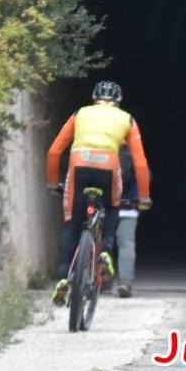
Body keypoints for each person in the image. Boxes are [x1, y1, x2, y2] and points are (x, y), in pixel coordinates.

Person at [45, 80, 152, 307]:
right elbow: (140, 163)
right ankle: (106, 251)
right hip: (108, 168)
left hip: (79, 165)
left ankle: (64, 276)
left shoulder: (80, 113)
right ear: (118, 101)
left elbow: (54, 151)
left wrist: (53, 182)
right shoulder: (127, 119)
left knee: (71, 222)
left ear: (94, 98)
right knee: (113, 205)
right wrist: (143, 197)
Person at [115, 145, 141, 298]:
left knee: (103, 241)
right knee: (126, 244)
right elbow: (146, 175)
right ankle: (125, 283)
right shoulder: (134, 153)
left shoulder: (102, 151)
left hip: (106, 206)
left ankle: (99, 281)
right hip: (128, 206)